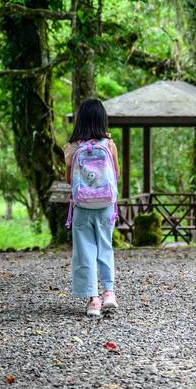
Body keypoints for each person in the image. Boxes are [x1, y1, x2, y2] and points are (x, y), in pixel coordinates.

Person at [64, 98, 120, 318]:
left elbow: (70, 180)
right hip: (106, 206)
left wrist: (67, 159)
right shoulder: (109, 145)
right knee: (105, 247)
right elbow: (116, 175)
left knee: (85, 252)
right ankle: (109, 293)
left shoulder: (73, 147)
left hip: (82, 207)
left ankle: (93, 300)